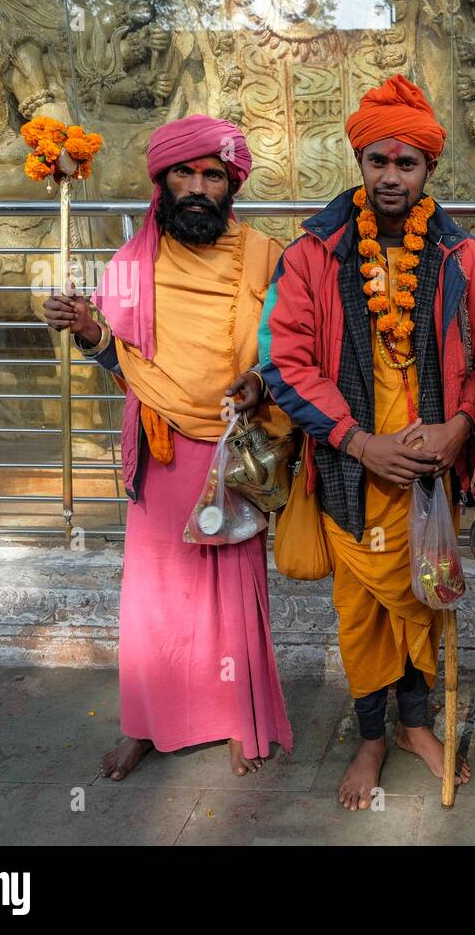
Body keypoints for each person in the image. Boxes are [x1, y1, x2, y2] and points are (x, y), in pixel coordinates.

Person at [256, 75, 475, 811]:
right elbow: (282, 361)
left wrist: (461, 427)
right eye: (378, 162)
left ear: (430, 170)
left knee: (427, 596)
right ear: (359, 162)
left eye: (407, 164)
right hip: (348, 471)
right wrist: (359, 442)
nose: (391, 176)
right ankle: (371, 736)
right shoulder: (311, 254)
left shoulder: (468, 261)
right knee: (360, 610)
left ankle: (417, 727)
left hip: (431, 477)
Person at [42, 115, 294, 780]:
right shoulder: (133, 262)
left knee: (234, 589)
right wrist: (89, 330)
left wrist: (260, 384)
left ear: (230, 185)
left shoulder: (266, 255)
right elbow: (122, 365)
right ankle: (146, 725)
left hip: (235, 445)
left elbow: (288, 351)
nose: (198, 186)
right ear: (163, 180)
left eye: (213, 175)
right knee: (153, 597)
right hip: (162, 444)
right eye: (185, 173)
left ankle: (240, 719)